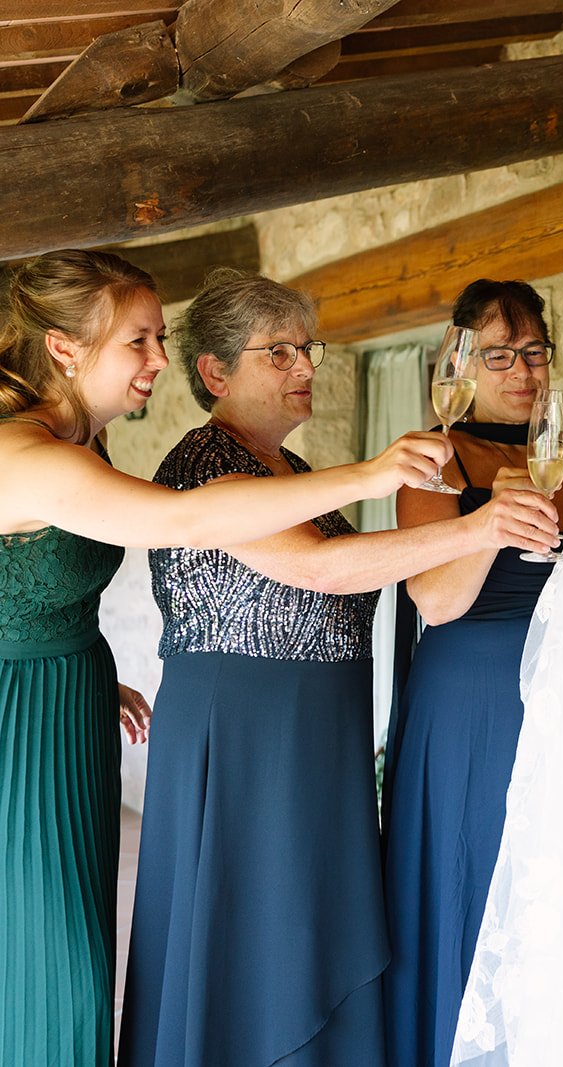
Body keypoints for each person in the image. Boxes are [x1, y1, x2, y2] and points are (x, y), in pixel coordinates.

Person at [0, 250, 451, 1065]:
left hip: (68, 702)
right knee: (48, 970)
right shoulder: (27, 454)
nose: (158, 360)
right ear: (66, 348)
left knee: (79, 959)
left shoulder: (82, 445)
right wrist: (374, 473)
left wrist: (69, 660)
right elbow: (195, 521)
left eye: (159, 338)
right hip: (18, 723)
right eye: (138, 340)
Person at [117, 270, 558, 1067]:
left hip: (319, 740)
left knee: (320, 941)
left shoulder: (291, 468)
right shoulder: (200, 465)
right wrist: (478, 526)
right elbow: (320, 569)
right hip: (246, 740)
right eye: (278, 351)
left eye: (307, 348)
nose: (304, 367)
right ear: (215, 373)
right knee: (256, 950)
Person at [382, 279, 563, 1067]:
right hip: (472, 702)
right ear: (463, 363)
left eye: (535, 352)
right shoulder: (435, 456)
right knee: (476, 876)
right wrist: (488, 524)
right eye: (500, 355)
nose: (523, 371)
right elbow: (434, 600)